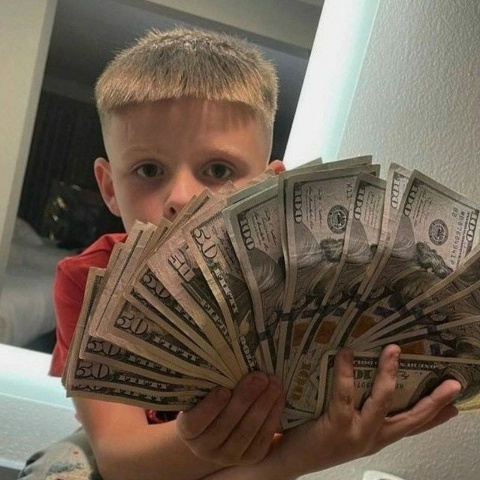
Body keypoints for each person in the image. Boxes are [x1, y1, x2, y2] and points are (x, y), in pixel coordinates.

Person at [19, 27, 461, 480]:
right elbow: (123, 462)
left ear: (268, 185)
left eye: (218, 169)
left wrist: (316, 445)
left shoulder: (300, 279)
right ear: (110, 187)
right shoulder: (89, 278)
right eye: (149, 170)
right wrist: (309, 452)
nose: (182, 197)